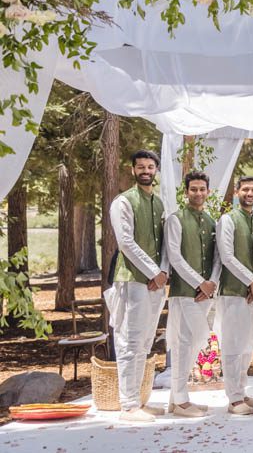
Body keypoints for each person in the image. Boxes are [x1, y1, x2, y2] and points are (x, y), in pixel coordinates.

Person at [105, 150, 169, 423]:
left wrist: (163, 272)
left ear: (156, 170)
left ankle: (140, 399)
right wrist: (154, 272)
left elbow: (165, 242)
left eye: (150, 166)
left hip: (156, 283)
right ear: (132, 170)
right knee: (130, 340)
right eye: (140, 166)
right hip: (132, 280)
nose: (146, 170)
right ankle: (128, 405)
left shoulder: (160, 203)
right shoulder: (123, 202)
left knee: (145, 341)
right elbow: (126, 243)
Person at [165, 170, 221, 417]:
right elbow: (174, 257)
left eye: (202, 189)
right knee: (184, 342)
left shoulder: (211, 221)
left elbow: (218, 258)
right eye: (193, 189)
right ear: (186, 192)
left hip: (206, 293)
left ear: (208, 191)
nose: (198, 193)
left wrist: (212, 284)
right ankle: (180, 400)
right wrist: (199, 283)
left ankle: (175, 398)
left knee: (196, 341)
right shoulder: (175, 219)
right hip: (184, 292)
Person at [215, 175, 253, 415]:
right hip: (234, 291)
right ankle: (234, 398)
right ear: (237, 192)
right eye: (245, 189)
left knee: (248, 345)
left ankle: (242, 390)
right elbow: (227, 256)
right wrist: (251, 280)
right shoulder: (228, 219)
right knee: (233, 344)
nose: (250, 193)